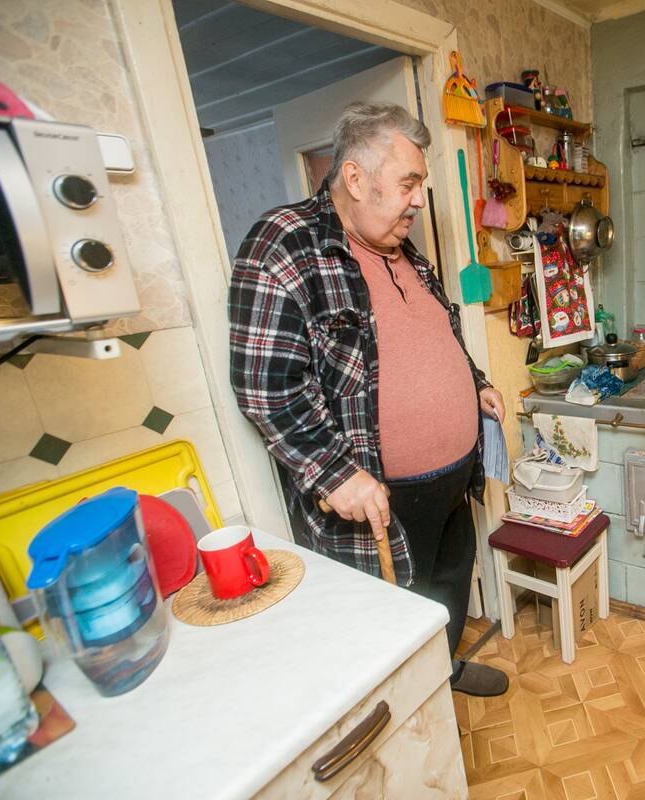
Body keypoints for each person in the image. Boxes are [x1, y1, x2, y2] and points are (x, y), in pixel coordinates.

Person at [228, 102, 508, 697]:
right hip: (379, 501)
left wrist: (476, 383)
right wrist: (333, 474)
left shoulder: (406, 252)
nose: (417, 201)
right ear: (354, 178)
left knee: (448, 588)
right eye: (408, 183)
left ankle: (444, 673)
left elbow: (441, 334)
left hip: (453, 479)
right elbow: (264, 385)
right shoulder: (287, 244)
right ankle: (416, 714)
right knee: (389, 623)